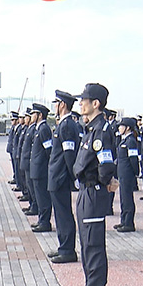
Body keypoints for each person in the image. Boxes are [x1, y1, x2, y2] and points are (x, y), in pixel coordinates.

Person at [69, 83, 116, 286]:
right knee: (86, 244)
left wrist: (103, 182)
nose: (80, 103)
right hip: (85, 191)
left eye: (84, 100)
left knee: (94, 246)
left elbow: (106, 165)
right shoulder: (91, 128)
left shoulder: (101, 130)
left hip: (94, 191)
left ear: (95, 103)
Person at [47, 90, 80, 263]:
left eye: (56, 103)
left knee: (64, 214)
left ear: (63, 105)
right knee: (60, 214)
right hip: (56, 176)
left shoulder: (67, 125)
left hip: (60, 177)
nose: (54, 106)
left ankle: (68, 250)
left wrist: (72, 176)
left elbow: (69, 155)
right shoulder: (63, 124)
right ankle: (63, 247)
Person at [29, 103, 53, 232]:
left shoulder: (44, 129)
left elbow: (48, 150)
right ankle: (41, 220)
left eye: (34, 114)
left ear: (40, 115)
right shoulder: (39, 128)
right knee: (39, 196)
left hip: (41, 170)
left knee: (43, 197)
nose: (32, 116)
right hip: (36, 169)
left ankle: (45, 222)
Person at [114, 117, 139, 233]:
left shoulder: (131, 141)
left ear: (127, 128)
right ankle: (124, 220)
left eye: (121, 126)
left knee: (127, 198)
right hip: (122, 174)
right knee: (123, 198)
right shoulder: (123, 140)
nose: (119, 128)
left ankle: (129, 223)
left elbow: (133, 160)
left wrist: (135, 173)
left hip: (128, 174)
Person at [20, 108, 38, 215]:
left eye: (28, 116)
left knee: (33, 188)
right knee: (29, 185)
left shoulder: (34, 129)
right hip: (27, 161)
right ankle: (32, 205)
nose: (27, 118)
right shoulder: (29, 129)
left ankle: (34, 207)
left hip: (32, 163)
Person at [7, 111, 19, 185]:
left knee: (16, 167)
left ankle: (17, 179)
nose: (12, 121)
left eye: (13, 120)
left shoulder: (18, 128)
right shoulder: (13, 128)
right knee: (14, 166)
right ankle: (15, 178)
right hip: (12, 149)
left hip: (15, 150)